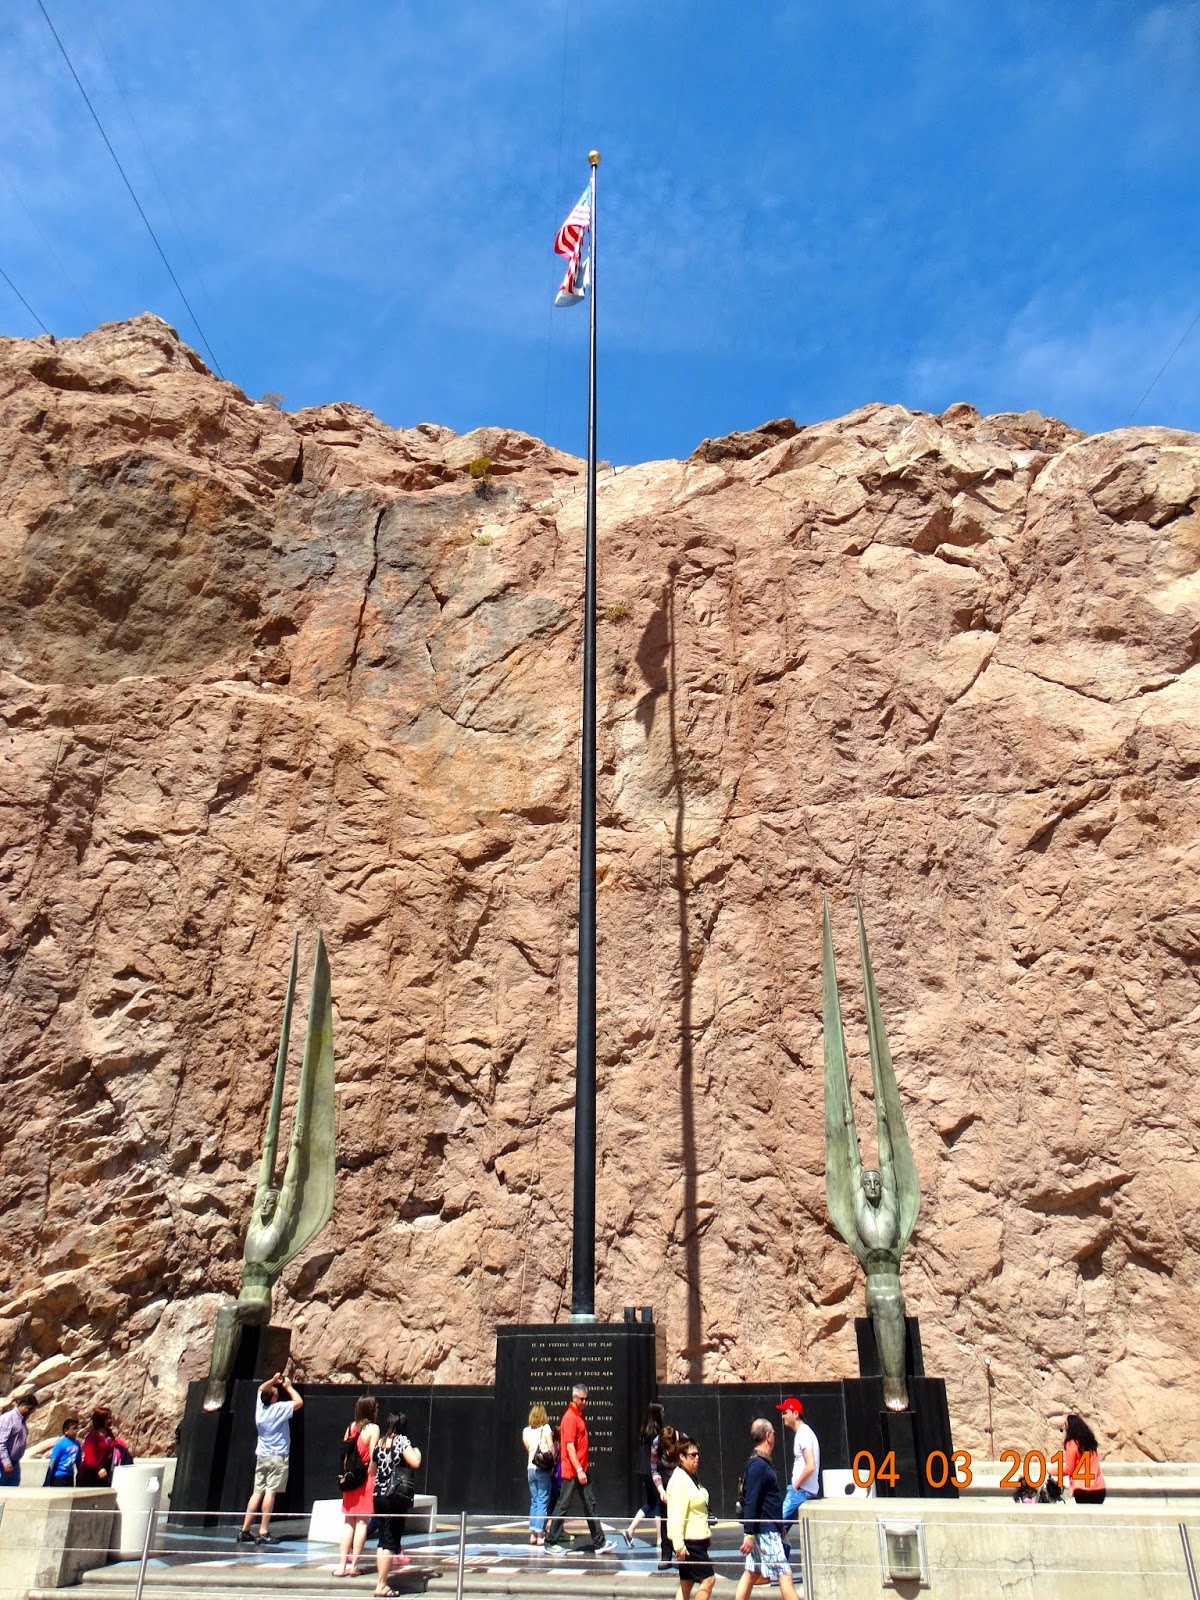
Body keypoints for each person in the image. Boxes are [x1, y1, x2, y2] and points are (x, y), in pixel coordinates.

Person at [735, 1419, 800, 1600]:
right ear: (768, 1436)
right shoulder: (758, 1465)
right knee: (785, 1574)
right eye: (774, 1433)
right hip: (766, 1531)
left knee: (752, 1572)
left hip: (766, 1528)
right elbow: (752, 1500)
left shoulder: (760, 1463)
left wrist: (779, 1527)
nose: (775, 1437)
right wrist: (748, 1534)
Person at [238, 1372, 303, 1545]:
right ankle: (263, 1531)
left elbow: (261, 1389)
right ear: (274, 1398)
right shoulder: (278, 1408)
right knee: (270, 1492)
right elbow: (298, 1402)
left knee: (257, 1491)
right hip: (277, 1457)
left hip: (262, 1456)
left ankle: (245, 1529)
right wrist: (288, 1387)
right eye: (276, 1392)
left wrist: (273, 1381)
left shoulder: (260, 1409)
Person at [544, 1384, 607, 1553]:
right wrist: (579, 1469)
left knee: (590, 1504)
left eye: (586, 1399)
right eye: (582, 1399)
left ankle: (600, 1541)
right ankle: (550, 1541)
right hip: (572, 1471)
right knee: (563, 1505)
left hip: (580, 1470)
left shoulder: (578, 1416)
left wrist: (581, 1469)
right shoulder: (570, 1418)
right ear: (574, 1397)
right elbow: (570, 1446)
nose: (585, 1402)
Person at [373, 1412, 422, 1595]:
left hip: (378, 1495)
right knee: (390, 1540)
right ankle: (382, 1584)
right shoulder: (401, 1440)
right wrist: (417, 1452)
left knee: (382, 1540)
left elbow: (372, 1471)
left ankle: (382, 1580)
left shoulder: (380, 1442)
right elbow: (415, 1462)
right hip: (394, 1496)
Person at [667, 1436, 716, 1600]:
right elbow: (676, 1515)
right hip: (690, 1543)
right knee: (709, 1579)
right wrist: (679, 1546)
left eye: (698, 1454)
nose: (697, 1458)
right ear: (681, 1457)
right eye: (692, 1455)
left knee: (686, 1583)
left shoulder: (689, 1476)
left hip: (696, 1539)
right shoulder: (680, 1480)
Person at [335, 1395, 379, 1577]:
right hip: (366, 1479)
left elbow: (344, 1455)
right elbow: (374, 1456)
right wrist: (374, 1476)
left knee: (348, 1522)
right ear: (371, 1409)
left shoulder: (351, 1427)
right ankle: (354, 1566)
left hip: (350, 1480)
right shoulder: (373, 1428)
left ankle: (341, 1566)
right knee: (362, 1523)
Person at [622, 1401, 666, 1550]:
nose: (664, 1413)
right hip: (652, 1470)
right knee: (658, 1503)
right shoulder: (657, 1431)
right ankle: (660, 1539)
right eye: (662, 1410)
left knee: (651, 1503)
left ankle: (630, 1531)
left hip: (644, 1470)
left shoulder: (645, 1429)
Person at [776, 1399, 820, 1537]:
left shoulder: (803, 1434)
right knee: (781, 1531)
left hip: (800, 1491)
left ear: (795, 1414)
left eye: (785, 1412)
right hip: (803, 1490)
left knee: (774, 1527)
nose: (783, 1416)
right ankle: (783, 1550)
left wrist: (796, 1486)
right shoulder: (804, 1433)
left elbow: (810, 1465)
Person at [522, 1403, 555, 1546]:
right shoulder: (546, 1428)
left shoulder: (526, 1431)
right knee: (542, 1500)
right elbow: (551, 1446)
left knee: (534, 1500)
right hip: (542, 1469)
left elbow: (529, 1449)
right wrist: (553, 1460)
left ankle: (533, 1534)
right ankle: (541, 1534)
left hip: (530, 1468)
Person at [1062, 1414, 1106, 1505]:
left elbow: (1068, 1470)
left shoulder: (1072, 1444)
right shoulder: (1090, 1443)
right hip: (1099, 1488)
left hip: (1082, 1489)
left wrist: (1051, 1471)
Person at [0, 1393, 37, 1487]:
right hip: (3, 1463)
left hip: (15, 1462)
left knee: (13, 1491)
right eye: (29, 1409)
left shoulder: (22, 1421)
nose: (30, 1412)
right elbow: (1, 1443)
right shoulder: (8, 1418)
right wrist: (6, 1462)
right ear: (22, 1405)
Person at [656, 1426, 680, 1569]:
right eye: (665, 1450)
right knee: (665, 1519)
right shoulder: (656, 1445)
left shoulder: (683, 1441)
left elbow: (690, 1465)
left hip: (680, 1483)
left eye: (670, 1449)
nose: (667, 1453)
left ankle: (683, 1553)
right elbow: (654, 1469)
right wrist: (661, 1490)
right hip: (665, 1485)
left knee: (682, 1519)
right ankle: (666, 1554)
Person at [77, 1408, 116, 1487]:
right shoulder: (92, 1437)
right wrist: (98, 1469)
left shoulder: (109, 1434)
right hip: (89, 1475)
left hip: (104, 1474)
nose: (110, 1420)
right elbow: (89, 1457)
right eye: (107, 1418)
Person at [44, 1416, 82, 1487]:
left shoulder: (77, 1444)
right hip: (58, 1476)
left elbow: (78, 1461)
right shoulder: (60, 1443)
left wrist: (80, 1475)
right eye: (74, 1429)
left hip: (70, 1476)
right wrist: (47, 1480)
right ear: (66, 1431)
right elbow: (53, 1461)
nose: (76, 1431)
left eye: (77, 1428)